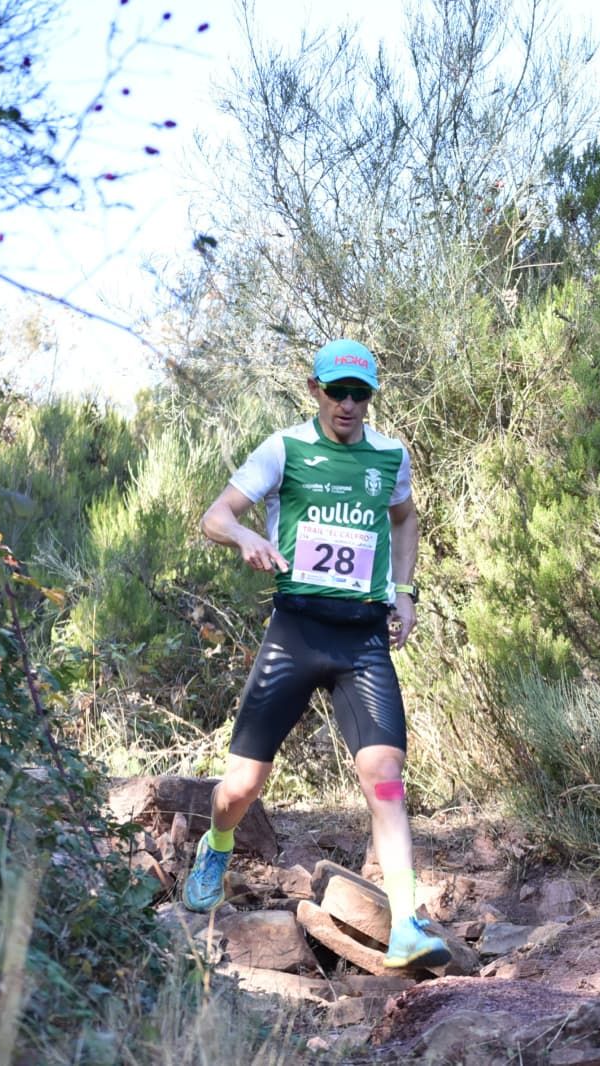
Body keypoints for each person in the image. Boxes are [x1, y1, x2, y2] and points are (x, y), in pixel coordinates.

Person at [183, 338, 449, 970]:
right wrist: (246, 533)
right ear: (315, 390)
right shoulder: (285, 448)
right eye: (338, 392)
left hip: (363, 639)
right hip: (296, 632)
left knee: (384, 776)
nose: (349, 405)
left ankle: (406, 922)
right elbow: (214, 515)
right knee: (240, 788)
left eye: (361, 394)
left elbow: (406, 520)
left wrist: (405, 592)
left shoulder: (390, 456)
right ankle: (216, 847)